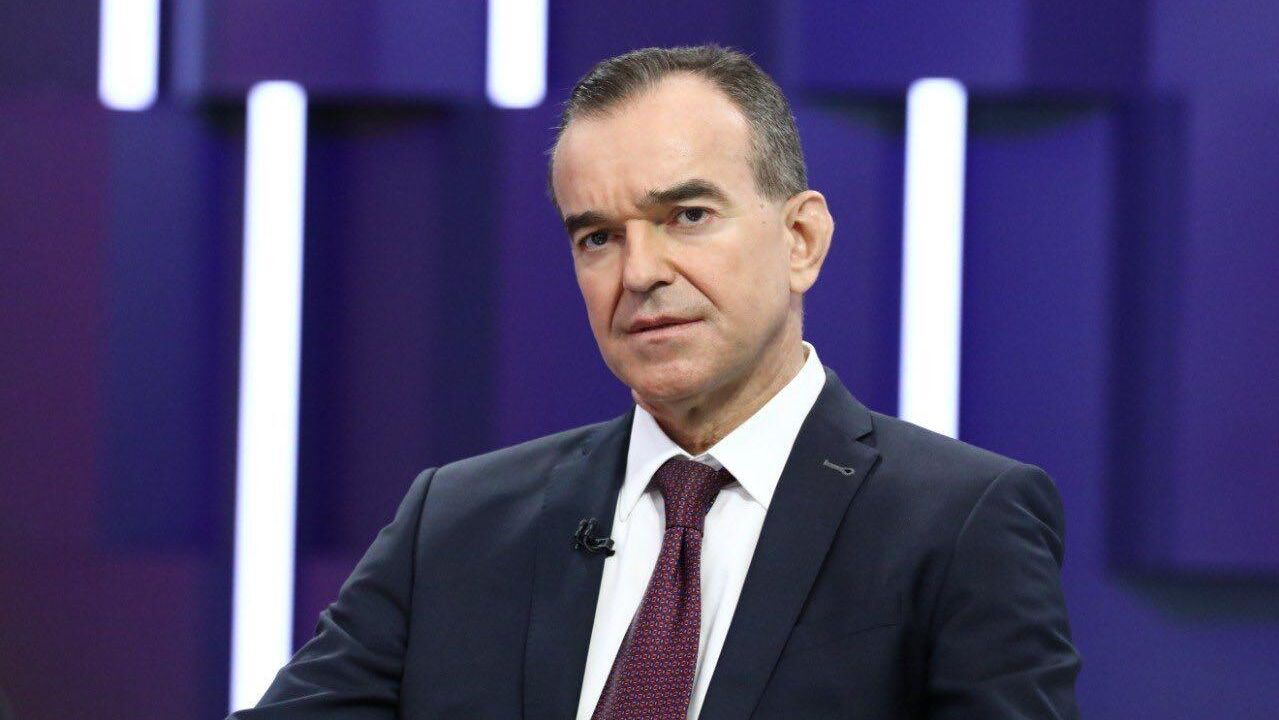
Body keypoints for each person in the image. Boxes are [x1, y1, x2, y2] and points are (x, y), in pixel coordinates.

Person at [232, 45, 1080, 719]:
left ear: (800, 240)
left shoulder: (960, 522)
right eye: (597, 237)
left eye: (687, 216)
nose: (639, 272)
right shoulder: (454, 522)